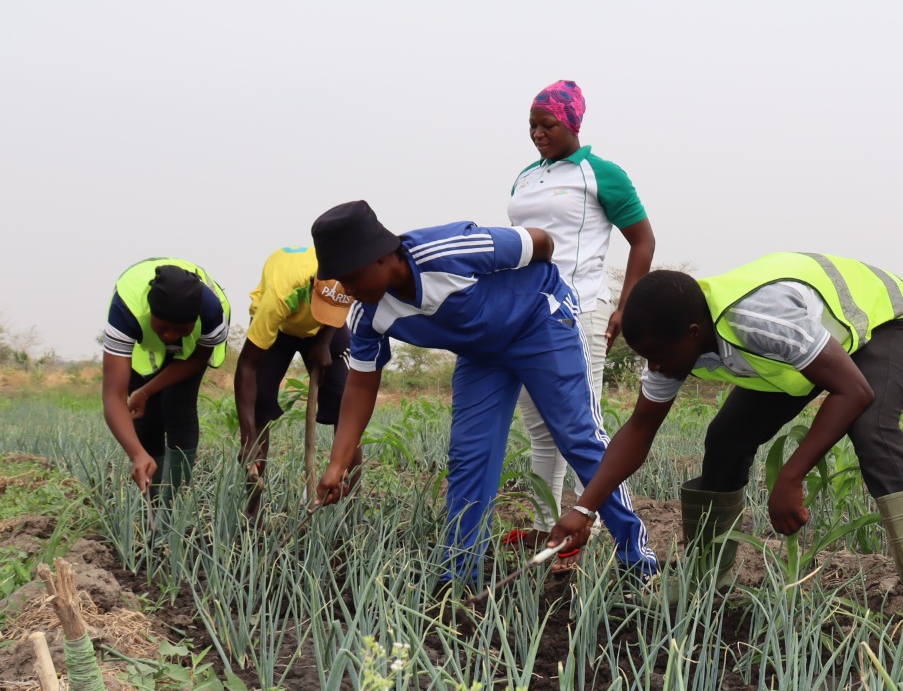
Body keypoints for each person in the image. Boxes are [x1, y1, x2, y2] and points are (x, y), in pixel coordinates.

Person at [546, 253, 903, 663]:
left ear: (693, 333)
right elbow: (639, 428)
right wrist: (585, 508)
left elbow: (854, 391)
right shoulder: (674, 343)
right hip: (805, 352)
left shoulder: (759, 321)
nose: (655, 366)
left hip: (877, 320)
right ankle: (708, 581)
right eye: (647, 358)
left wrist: (790, 477)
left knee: (874, 433)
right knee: (726, 439)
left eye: (660, 356)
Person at [307, 200, 655, 584]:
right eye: (341, 282)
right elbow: (360, 384)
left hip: (539, 324)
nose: (349, 291)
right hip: (481, 354)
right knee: (470, 457)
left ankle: (637, 562)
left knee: (577, 436)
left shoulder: (450, 250)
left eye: (353, 278)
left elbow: (541, 242)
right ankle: (458, 579)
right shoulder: (367, 314)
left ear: (384, 256)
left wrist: (537, 298)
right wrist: (337, 464)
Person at [508, 80, 656, 551]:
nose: (537, 133)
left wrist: (625, 305)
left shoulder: (600, 173)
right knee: (539, 429)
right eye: (532, 124)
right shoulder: (528, 176)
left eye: (547, 123)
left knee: (580, 429)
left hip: (578, 311)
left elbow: (643, 240)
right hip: (526, 313)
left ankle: (610, 534)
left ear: (572, 122)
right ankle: (546, 526)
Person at [235, 247, 359, 513]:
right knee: (259, 404)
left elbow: (337, 312)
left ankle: (348, 511)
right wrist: (247, 439)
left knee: (345, 403)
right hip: (282, 326)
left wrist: (324, 340)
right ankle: (252, 514)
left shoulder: (345, 276)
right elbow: (245, 367)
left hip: (327, 331)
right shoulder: (279, 298)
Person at [101, 259, 230, 495]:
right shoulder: (125, 310)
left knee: (178, 406)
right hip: (143, 349)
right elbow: (113, 395)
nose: (170, 336)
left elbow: (196, 359)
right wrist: (136, 454)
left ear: (196, 319)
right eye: (161, 327)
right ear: (150, 312)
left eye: (181, 330)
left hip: (190, 355)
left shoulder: (212, 314)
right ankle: (152, 498)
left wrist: (147, 391)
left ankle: (174, 503)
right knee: (146, 417)